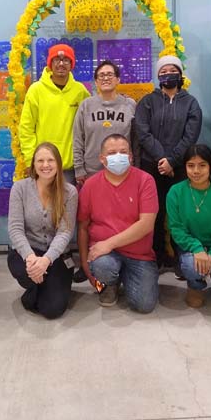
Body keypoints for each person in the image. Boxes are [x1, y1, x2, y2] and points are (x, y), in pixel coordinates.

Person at [134, 55, 202, 271]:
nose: (167, 74)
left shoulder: (191, 103)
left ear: (180, 74)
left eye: (172, 70)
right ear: (157, 76)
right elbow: (142, 133)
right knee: (153, 213)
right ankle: (155, 256)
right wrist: (161, 158)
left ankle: (181, 259)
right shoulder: (147, 102)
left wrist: (172, 161)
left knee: (179, 213)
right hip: (151, 166)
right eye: (162, 72)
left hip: (179, 167)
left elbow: (191, 136)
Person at [77, 134, 159, 313]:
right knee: (103, 267)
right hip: (104, 258)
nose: (118, 156)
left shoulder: (145, 181)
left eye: (123, 152)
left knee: (144, 305)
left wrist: (108, 244)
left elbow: (146, 224)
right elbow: (82, 227)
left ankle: (126, 276)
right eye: (112, 153)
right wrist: (85, 265)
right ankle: (108, 285)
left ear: (130, 157)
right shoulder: (90, 185)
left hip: (139, 255)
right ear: (102, 159)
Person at [7, 142, 78, 319]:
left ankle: (45, 285)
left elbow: (65, 232)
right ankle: (37, 283)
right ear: (34, 164)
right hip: (27, 253)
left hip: (56, 255)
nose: (45, 165)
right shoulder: (20, 188)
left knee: (52, 310)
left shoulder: (70, 192)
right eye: (40, 161)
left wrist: (46, 260)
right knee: (25, 272)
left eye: (50, 160)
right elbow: (15, 228)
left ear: (58, 164)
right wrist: (31, 259)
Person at [166, 144, 211, 308]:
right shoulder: (175, 192)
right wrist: (197, 249)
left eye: (202, 165)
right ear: (185, 167)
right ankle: (195, 286)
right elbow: (176, 229)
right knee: (193, 269)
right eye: (190, 166)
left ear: (210, 166)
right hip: (190, 249)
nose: (196, 171)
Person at [19, 43, 89, 183]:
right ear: (50, 63)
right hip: (43, 167)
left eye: (66, 60)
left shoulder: (80, 91)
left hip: (70, 168)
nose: (61, 64)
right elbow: (26, 129)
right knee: (42, 205)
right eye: (57, 60)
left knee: (68, 205)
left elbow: (90, 123)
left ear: (71, 64)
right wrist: (30, 160)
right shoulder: (36, 90)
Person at [73, 60, 136, 184]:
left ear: (118, 79)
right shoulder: (86, 105)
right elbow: (78, 139)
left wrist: (135, 166)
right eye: (101, 75)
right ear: (96, 81)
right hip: (91, 171)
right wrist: (78, 168)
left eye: (110, 75)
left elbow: (136, 140)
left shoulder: (130, 105)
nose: (105, 78)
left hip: (123, 170)